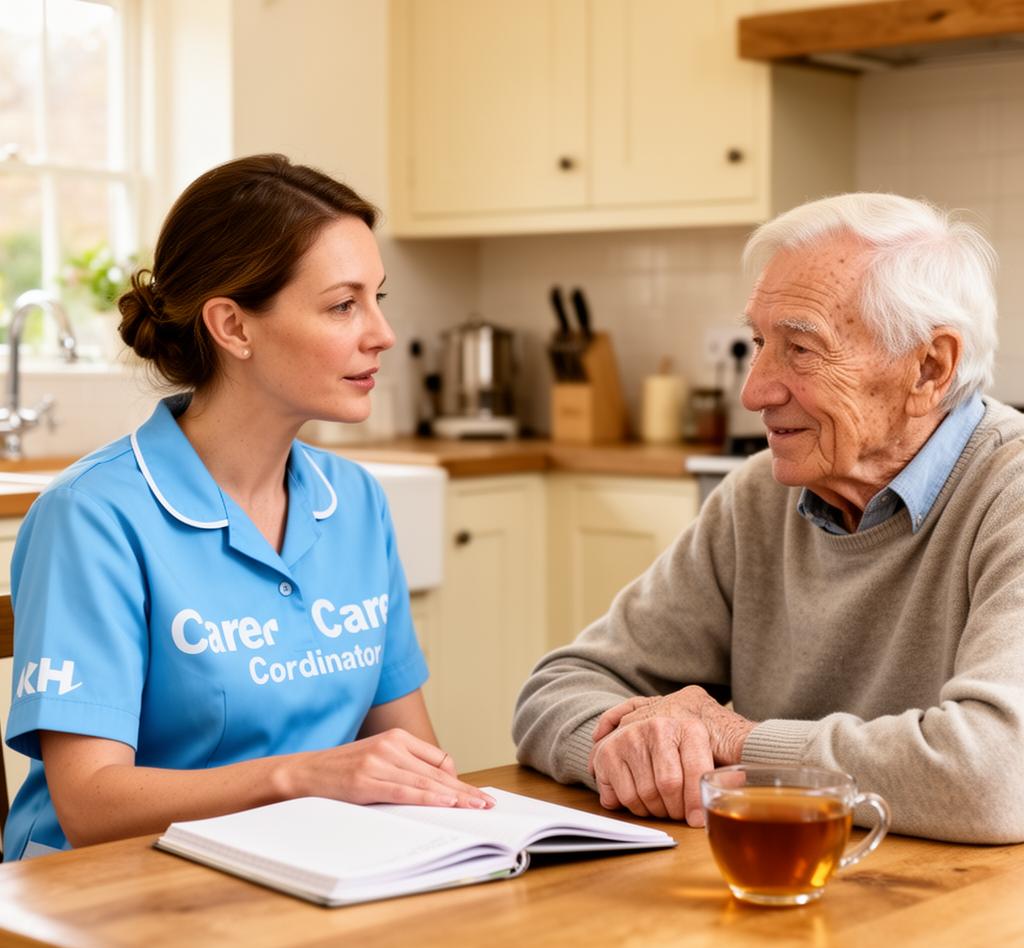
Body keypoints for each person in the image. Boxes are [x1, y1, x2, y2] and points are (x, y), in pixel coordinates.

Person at [3, 154, 492, 861]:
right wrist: (301, 778)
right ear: (232, 327)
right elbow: (90, 805)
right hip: (105, 904)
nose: (381, 333)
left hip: (305, 878)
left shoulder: (354, 503)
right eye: (343, 305)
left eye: (377, 298)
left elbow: (413, 755)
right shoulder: (92, 517)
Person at [514, 192, 1024, 844]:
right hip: (774, 890)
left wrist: (741, 742)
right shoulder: (758, 496)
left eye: (800, 350)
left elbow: (998, 775)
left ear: (929, 367)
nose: (754, 391)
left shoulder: (1009, 493)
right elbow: (555, 689)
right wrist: (627, 747)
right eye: (758, 343)